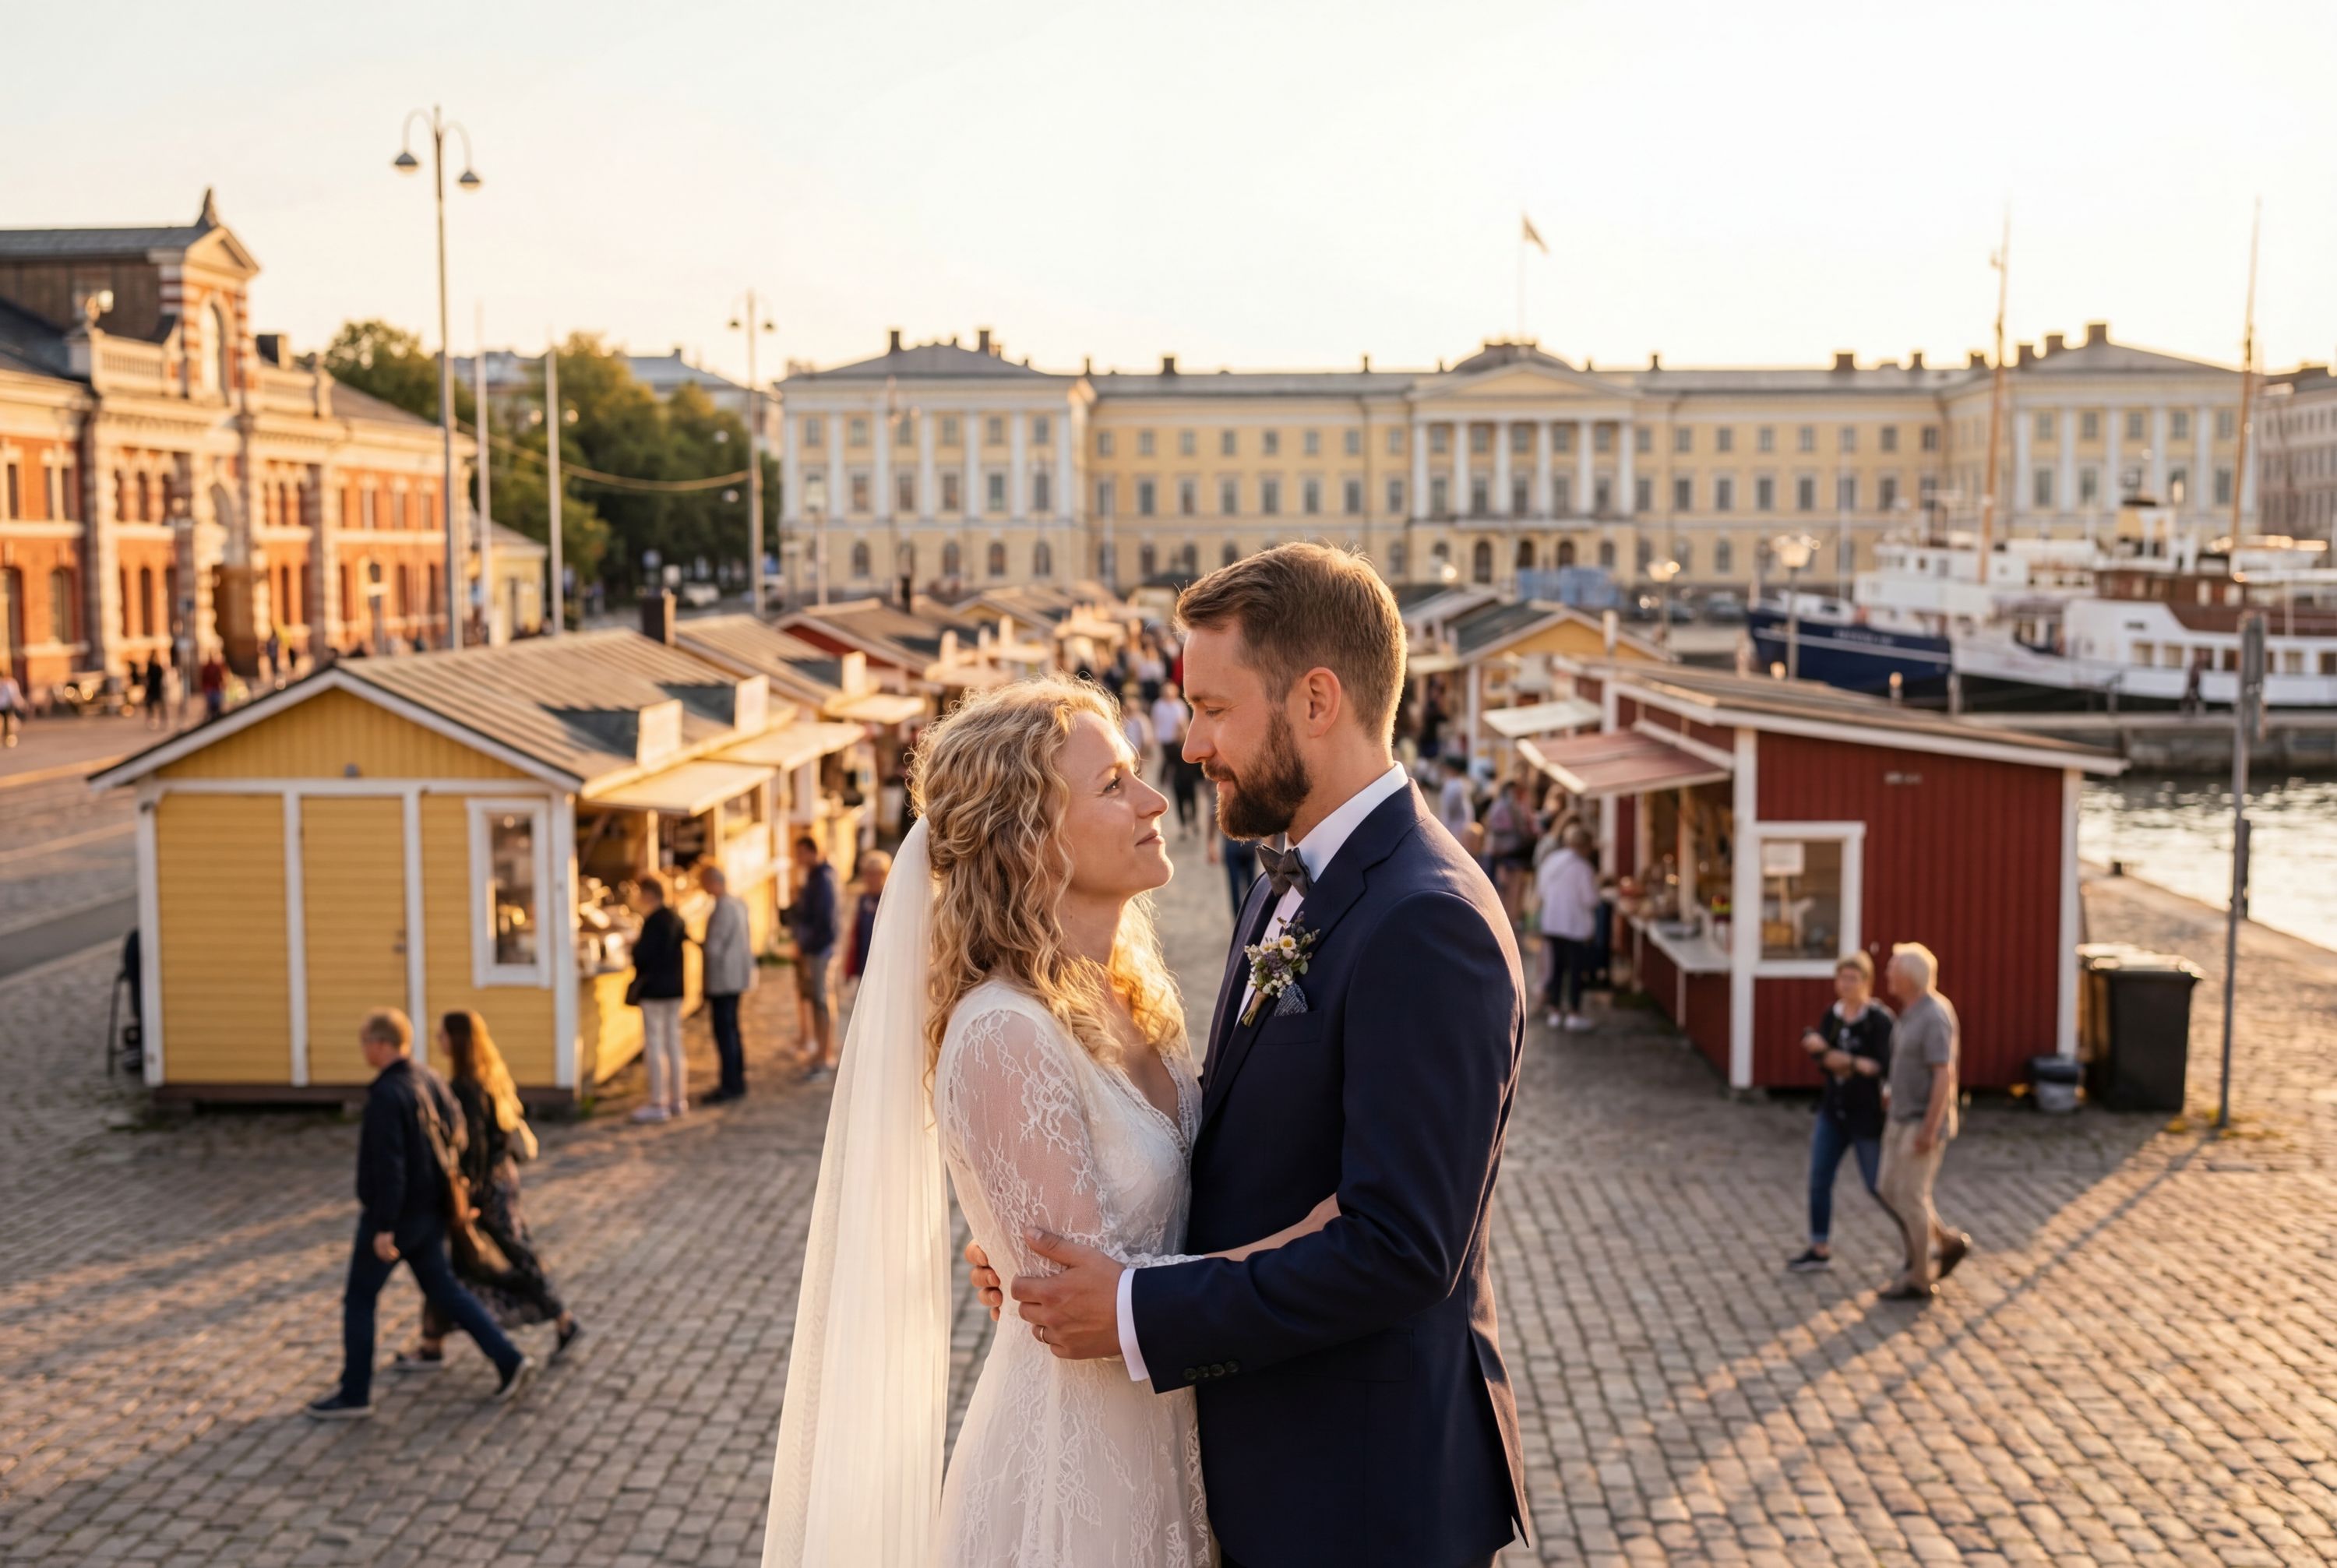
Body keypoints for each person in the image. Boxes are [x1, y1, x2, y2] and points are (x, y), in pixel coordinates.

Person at [969, 544, 1529, 1567]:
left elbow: (1399, 1247)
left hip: (1356, 1496)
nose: (1189, 746)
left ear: (1316, 700)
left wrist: (1132, 1305)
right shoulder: (1287, 876)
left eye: (1215, 710)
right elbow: (1249, 1151)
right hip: (1263, 1464)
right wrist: (1062, 1236)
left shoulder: (1425, 921)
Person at [762, 676, 1339, 1566]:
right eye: (1113, 786)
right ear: (1030, 840)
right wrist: (1307, 1243)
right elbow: (1088, 1314)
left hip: (1169, 1448)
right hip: (1078, 1481)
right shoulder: (1003, 1032)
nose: (1155, 800)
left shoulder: (1125, 998)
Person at [305, 1009, 534, 1419]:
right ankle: (508, 1358)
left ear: (380, 1044)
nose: (363, 1051)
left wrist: (384, 1225)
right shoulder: (428, 1078)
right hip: (431, 1211)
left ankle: (355, 1392)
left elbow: (390, 1166)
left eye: (365, 1044)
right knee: (444, 1289)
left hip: (398, 1215)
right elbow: (459, 1132)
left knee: (359, 1298)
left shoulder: (386, 1096)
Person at [399, 1011, 583, 1367]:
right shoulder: (489, 1077)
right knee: (452, 1263)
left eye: (443, 1035)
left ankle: (564, 1320)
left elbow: (476, 1147)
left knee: (507, 1256)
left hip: (486, 1191)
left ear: (457, 1040)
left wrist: (468, 1198)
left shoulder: (467, 1088)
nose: (438, 1041)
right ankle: (431, 1342)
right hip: (500, 1182)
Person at [1785, 953, 1897, 1274]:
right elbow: (1825, 1062)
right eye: (1841, 979)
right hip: (1834, 1109)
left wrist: (1839, 1058)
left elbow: (1879, 1066)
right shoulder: (1832, 1016)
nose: (1845, 986)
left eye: (1852, 979)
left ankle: (1917, 1240)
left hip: (1867, 1114)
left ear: (1867, 983)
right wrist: (1848, 1062)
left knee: (1879, 1185)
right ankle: (1819, 1247)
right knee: (1819, 1178)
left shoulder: (1879, 1020)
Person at [1876, 943, 1973, 1301]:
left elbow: (1942, 1076)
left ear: (1907, 976)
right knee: (1889, 1188)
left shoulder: (1934, 1015)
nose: (1886, 974)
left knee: (1912, 1198)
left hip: (1920, 1121)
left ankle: (1919, 1276)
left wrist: (1930, 1129)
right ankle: (1945, 1241)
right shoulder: (1910, 1010)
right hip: (1900, 1114)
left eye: (1891, 969)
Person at [629, 873, 689, 1122]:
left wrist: (633, 947)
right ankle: (678, 1098)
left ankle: (659, 1100)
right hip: (674, 988)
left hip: (655, 989)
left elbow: (644, 956)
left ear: (648, 894)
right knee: (673, 1042)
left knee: (655, 1044)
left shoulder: (654, 922)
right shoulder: (675, 917)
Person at [782, 835, 839, 1081]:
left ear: (811, 852)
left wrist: (807, 944)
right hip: (815, 948)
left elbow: (823, 920)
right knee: (817, 1000)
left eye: (801, 854)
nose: (798, 859)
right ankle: (819, 1050)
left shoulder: (823, 880)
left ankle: (825, 1055)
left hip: (820, 950)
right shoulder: (816, 878)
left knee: (821, 1000)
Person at [1535, 823, 1602, 1032]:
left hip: (1553, 921)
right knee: (1575, 970)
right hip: (1574, 925)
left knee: (1556, 968)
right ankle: (1574, 1012)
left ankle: (1554, 1010)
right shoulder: (1583, 868)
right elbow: (1590, 899)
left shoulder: (1553, 861)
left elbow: (1542, 888)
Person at [700, 865, 756, 1104]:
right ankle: (737, 1080)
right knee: (733, 1029)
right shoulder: (738, 903)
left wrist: (698, 945)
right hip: (737, 976)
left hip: (724, 978)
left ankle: (730, 1083)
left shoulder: (723, 908)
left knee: (725, 1032)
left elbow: (714, 947)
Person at [839, 847, 892, 999]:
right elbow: (855, 932)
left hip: (883, 966)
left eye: (875, 874)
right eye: (867, 873)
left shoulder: (889, 900)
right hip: (864, 962)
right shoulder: (863, 899)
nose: (870, 878)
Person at [1482, 776, 1535, 916]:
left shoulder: (1503, 805)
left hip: (1506, 852)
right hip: (1510, 853)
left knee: (1507, 890)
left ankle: (1508, 918)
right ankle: (1508, 919)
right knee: (1507, 891)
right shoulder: (1508, 805)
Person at [1151, 682, 1199, 837]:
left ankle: (1193, 822)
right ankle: (1184, 825)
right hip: (1166, 741)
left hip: (1188, 778)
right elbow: (1156, 722)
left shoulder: (1179, 705)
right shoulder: (1158, 706)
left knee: (1192, 800)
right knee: (1180, 800)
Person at [1436, 752, 1475, 843]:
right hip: (1459, 825)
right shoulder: (1459, 783)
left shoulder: (1455, 786)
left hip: (1455, 828)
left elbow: (1449, 809)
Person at [198, 651, 227, 719]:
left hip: (215, 688)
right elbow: (203, 678)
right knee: (211, 706)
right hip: (210, 689)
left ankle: (216, 715)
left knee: (216, 705)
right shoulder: (206, 668)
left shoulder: (216, 667)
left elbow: (220, 677)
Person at [0, 670, 23, 748]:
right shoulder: (9, 683)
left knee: (6, 722)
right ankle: (7, 737)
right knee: (7, 723)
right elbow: (12, 694)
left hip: (3, 705)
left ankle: (6, 737)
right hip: (5, 705)